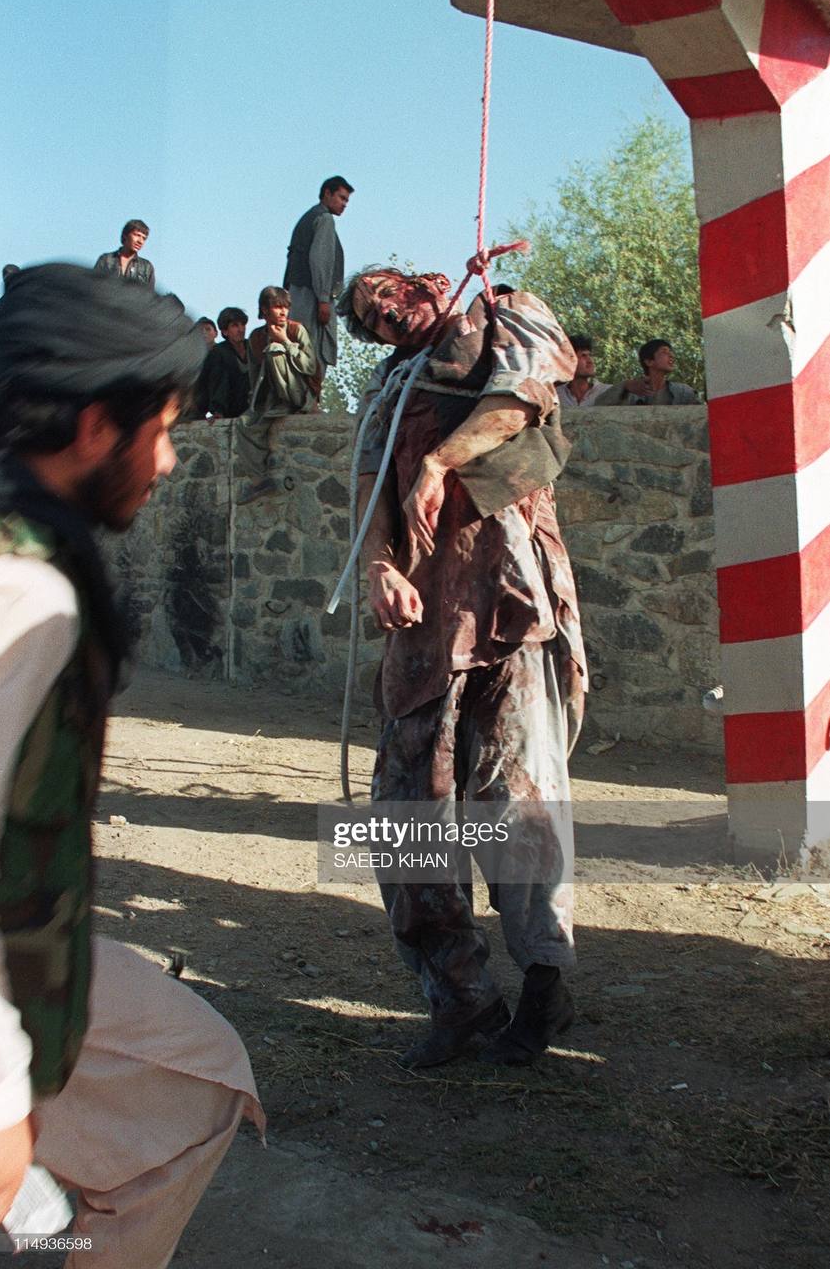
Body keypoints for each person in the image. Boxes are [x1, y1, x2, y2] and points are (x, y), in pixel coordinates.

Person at [0, 264, 264, 1266]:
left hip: (32, 956)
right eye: (160, 429)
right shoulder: (24, 591)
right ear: (93, 428)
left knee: (194, 1079)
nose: (167, 461)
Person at [339, 267, 587, 1069]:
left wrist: (439, 463)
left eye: (387, 292)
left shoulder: (503, 316)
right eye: (371, 317)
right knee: (406, 814)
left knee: (518, 803)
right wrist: (379, 567)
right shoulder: (387, 389)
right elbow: (369, 487)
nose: (385, 313)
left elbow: (520, 397)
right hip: (423, 625)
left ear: (429, 281)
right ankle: (460, 998)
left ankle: (545, 984)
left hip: (508, 602)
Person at [235, 286, 318, 505]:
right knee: (244, 424)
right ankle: (259, 480)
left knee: (275, 351)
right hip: (270, 400)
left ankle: (287, 404)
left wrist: (285, 343)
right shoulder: (256, 337)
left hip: (298, 394)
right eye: (277, 307)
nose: (283, 312)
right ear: (265, 310)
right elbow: (254, 376)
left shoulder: (296, 330)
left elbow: (310, 367)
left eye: (285, 307)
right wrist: (254, 404)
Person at [283, 175, 354, 379]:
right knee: (312, 351)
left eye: (346, 200)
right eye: (341, 198)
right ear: (327, 194)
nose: (344, 204)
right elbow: (320, 260)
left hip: (297, 295)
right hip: (311, 297)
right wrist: (323, 299)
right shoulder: (324, 219)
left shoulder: (308, 217)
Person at [596, 338, 701, 405]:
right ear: (649, 361)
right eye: (664, 352)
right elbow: (598, 406)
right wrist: (625, 385)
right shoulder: (629, 393)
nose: (671, 355)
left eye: (671, 352)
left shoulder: (683, 392)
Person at [196, 306, 251, 421]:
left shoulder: (252, 346)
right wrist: (216, 410)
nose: (241, 329)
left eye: (242, 324)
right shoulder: (219, 352)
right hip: (230, 407)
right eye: (235, 326)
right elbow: (213, 383)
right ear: (225, 331)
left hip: (251, 404)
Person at [94, 219, 155, 288]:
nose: (140, 241)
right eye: (137, 235)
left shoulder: (146, 267)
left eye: (144, 238)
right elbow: (94, 287)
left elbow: (149, 293)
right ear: (125, 235)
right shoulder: (106, 260)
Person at [555, 333, 612, 407]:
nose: (590, 361)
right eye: (583, 355)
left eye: (590, 355)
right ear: (569, 361)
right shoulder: (556, 395)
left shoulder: (607, 392)